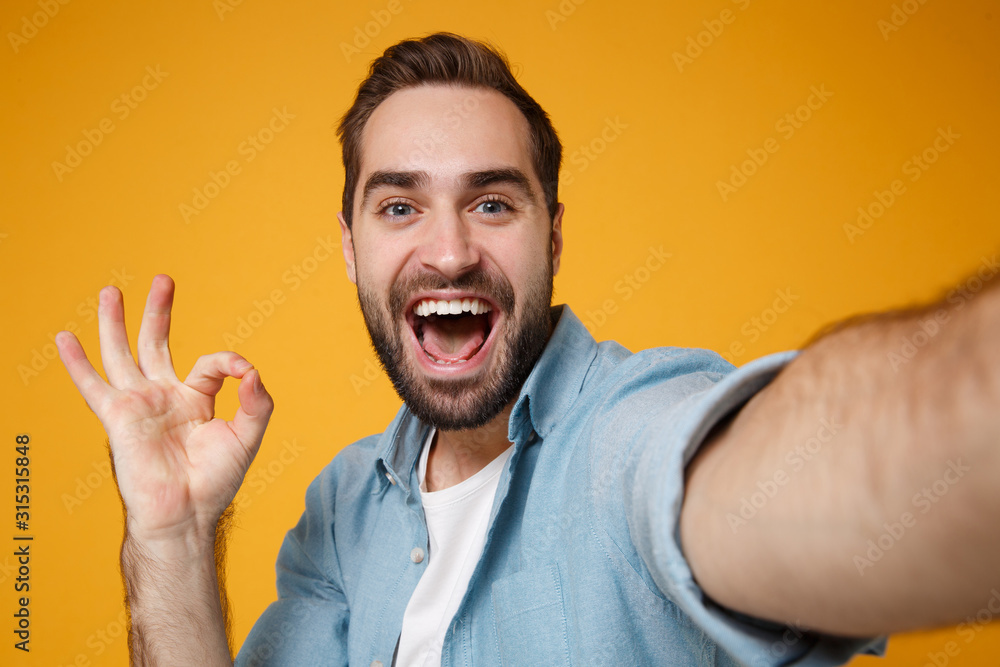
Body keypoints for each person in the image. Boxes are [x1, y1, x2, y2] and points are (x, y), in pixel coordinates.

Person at [55, 32, 999, 666]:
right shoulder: (346, 509)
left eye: (494, 202)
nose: (452, 248)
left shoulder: (631, 431)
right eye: (399, 206)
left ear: (553, 235)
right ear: (350, 247)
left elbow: (832, 464)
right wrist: (171, 534)